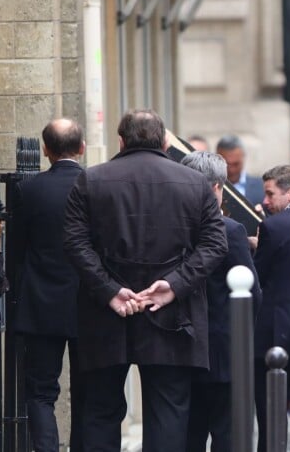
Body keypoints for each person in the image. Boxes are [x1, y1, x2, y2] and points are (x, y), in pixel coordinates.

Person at [63, 109, 228, 452]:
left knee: (101, 410)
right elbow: (215, 244)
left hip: (105, 314)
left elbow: (75, 244)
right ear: (166, 143)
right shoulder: (196, 184)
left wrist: (109, 291)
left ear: (121, 142)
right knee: (167, 412)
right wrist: (174, 286)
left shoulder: (91, 180)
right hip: (174, 315)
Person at [12, 118, 86, 452]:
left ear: (45, 150)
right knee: (91, 389)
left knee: (41, 392)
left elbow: (16, 248)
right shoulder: (96, 185)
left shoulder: (29, 189)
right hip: (89, 303)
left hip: (42, 303)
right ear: (82, 148)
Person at [180, 151, 261, 452]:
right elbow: (252, 292)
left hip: (185, 346)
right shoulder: (231, 230)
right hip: (226, 349)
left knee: (190, 434)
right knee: (228, 434)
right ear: (218, 187)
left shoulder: (173, 228)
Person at [253, 165, 290, 452]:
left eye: (269, 194)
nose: (265, 201)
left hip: (276, 335)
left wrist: (256, 245)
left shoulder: (272, 227)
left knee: (270, 412)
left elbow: (258, 277)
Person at [216, 134, 264, 207]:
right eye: (226, 164)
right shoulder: (210, 187)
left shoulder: (262, 187)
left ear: (243, 157)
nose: (231, 170)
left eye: (236, 164)